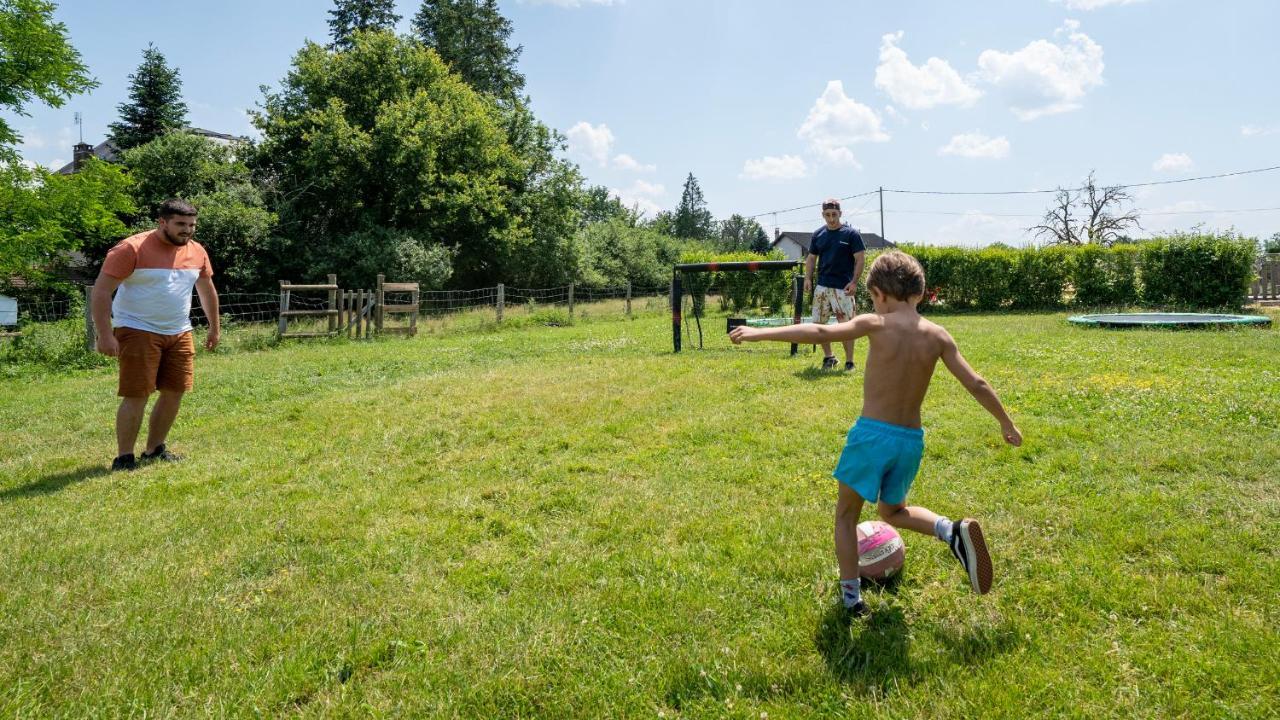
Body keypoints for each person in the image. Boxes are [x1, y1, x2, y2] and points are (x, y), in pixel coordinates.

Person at [730, 251, 1021, 617]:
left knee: (846, 517)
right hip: (910, 442)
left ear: (879, 294)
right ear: (919, 291)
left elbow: (821, 331)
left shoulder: (876, 323)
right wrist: (1006, 422)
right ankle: (951, 530)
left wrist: (760, 333)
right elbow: (975, 383)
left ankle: (852, 599)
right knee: (893, 510)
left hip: (871, 438)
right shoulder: (938, 335)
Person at [91, 199, 220, 471]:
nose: (188, 231)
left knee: (175, 391)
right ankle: (124, 457)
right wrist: (104, 334)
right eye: (181, 225)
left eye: (192, 225)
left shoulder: (197, 251)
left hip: (179, 331)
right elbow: (101, 291)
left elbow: (206, 290)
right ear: (162, 222)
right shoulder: (131, 249)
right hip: (137, 329)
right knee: (137, 393)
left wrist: (214, 327)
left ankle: (154, 450)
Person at [805, 198, 865, 371]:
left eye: (834, 214)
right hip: (822, 287)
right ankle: (829, 357)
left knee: (847, 326)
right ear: (822, 215)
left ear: (840, 214)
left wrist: (854, 282)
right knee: (819, 324)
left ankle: (850, 362)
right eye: (827, 215)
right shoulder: (818, 235)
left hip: (843, 288)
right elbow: (811, 258)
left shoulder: (851, 234)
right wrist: (808, 278)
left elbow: (860, 259)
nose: (831, 218)